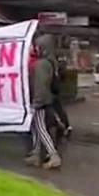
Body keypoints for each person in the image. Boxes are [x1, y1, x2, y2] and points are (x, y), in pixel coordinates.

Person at [26, 34, 63, 170]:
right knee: (35, 127)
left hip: (40, 102)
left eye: (36, 46)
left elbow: (40, 86)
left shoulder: (41, 64)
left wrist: (35, 104)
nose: (34, 48)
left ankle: (54, 156)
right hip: (43, 100)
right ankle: (36, 154)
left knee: (40, 128)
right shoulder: (48, 62)